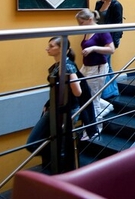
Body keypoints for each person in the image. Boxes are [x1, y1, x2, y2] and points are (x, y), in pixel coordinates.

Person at [26, 37, 97, 167]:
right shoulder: (60, 65)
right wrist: (49, 103)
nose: (47, 48)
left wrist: (72, 81)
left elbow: (78, 92)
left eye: (52, 46)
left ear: (63, 50)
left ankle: (59, 168)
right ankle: (54, 161)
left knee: (54, 145)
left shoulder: (67, 66)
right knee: (41, 143)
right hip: (56, 108)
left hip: (66, 110)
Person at [76, 9, 116, 131]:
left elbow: (111, 49)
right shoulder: (87, 31)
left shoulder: (101, 31)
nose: (80, 25)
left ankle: (95, 128)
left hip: (98, 67)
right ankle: (107, 106)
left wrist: (93, 48)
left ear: (90, 19)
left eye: (81, 22)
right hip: (87, 67)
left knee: (93, 98)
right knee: (84, 95)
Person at [94, 0, 122, 99]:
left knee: (105, 64)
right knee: (105, 64)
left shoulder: (116, 5)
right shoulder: (99, 3)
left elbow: (118, 24)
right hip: (99, 36)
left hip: (109, 38)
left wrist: (115, 42)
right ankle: (111, 90)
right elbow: (95, 19)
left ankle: (109, 91)